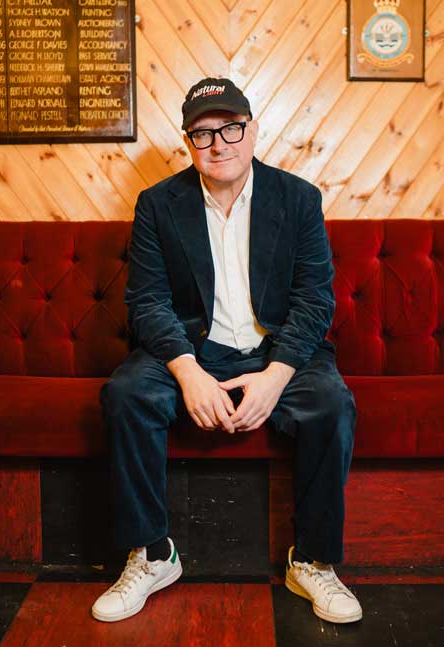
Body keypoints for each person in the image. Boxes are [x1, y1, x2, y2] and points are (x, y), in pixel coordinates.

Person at [91, 77, 361, 625]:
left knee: (332, 403)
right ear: (188, 142)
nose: (219, 144)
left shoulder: (298, 199)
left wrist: (276, 376)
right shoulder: (158, 205)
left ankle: (312, 562)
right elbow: (147, 302)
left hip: (277, 349)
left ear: (253, 130)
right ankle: (152, 555)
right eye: (203, 133)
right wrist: (188, 372)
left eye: (231, 128)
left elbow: (315, 300)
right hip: (193, 350)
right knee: (127, 394)